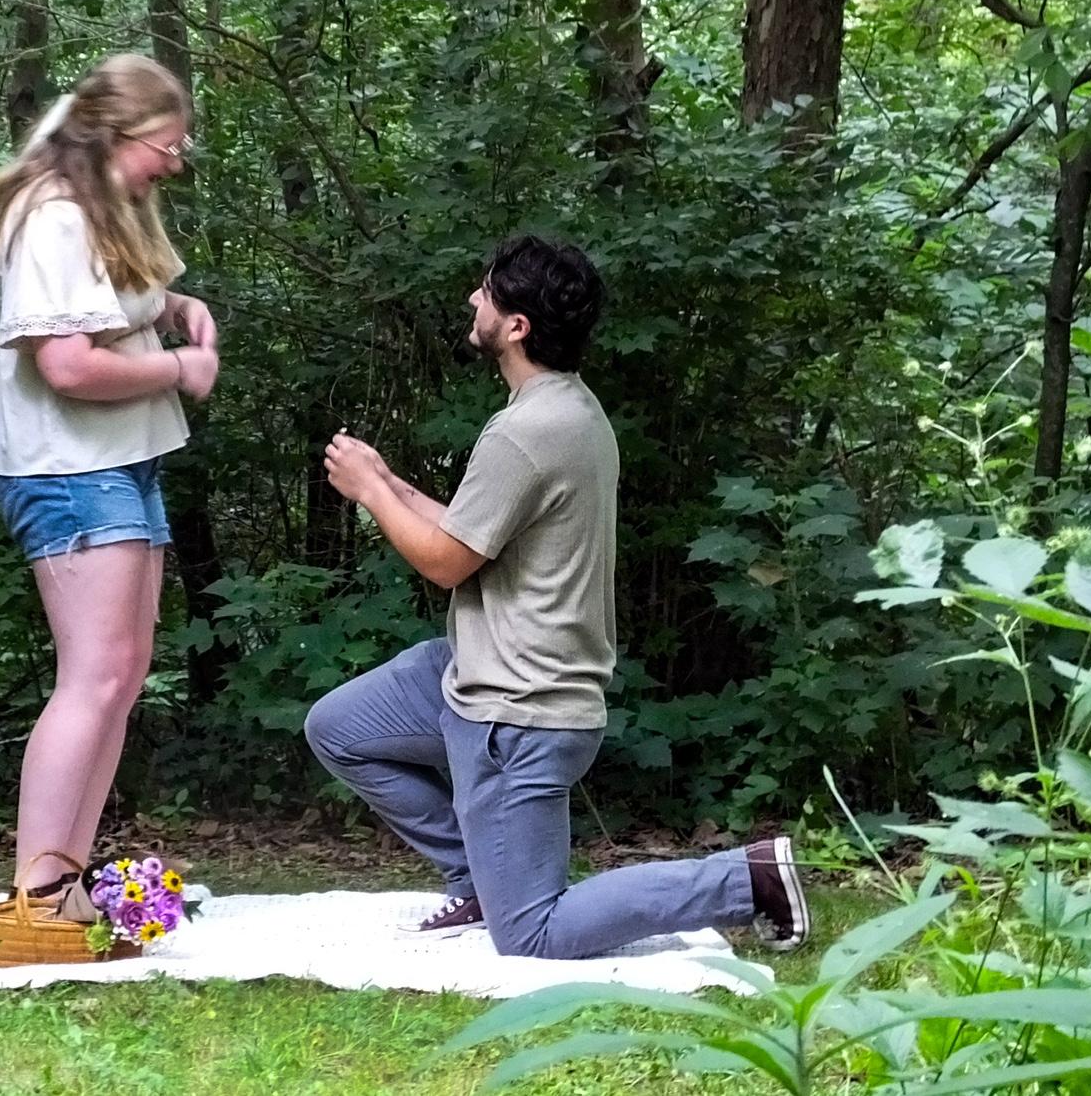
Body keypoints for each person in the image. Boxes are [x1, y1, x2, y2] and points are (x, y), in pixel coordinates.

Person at [305, 234, 809, 959]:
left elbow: (447, 564)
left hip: (520, 707)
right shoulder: (569, 410)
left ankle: (745, 878)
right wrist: (393, 483)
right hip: (470, 672)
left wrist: (368, 493)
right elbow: (477, 533)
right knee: (339, 728)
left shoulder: (527, 430)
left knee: (534, 933)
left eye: (484, 293)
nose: (471, 301)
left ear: (516, 327)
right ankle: (480, 875)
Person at [0, 53, 219, 899]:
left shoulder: (114, 206)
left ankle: (63, 884)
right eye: (167, 145)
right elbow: (67, 366)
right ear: (116, 134)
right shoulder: (55, 218)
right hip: (67, 468)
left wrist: (179, 308)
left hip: (120, 457)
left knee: (124, 668)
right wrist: (177, 369)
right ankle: (38, 896)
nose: (174, 163)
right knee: (95, 674)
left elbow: (123, 307)